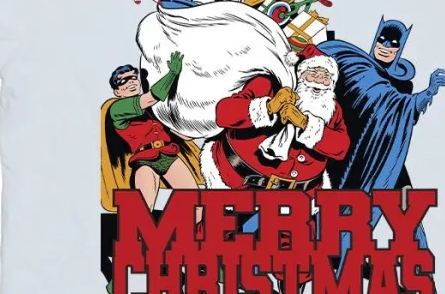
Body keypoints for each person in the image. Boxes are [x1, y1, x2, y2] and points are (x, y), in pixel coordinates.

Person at [318, 19, 445, 294]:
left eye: (393, 44)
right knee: (343, 221)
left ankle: (427, 292)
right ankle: (332, 285)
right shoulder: (350, 66)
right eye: (383, 40)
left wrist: (428, 93)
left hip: (387, 161)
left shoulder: (402, 84)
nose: (386, 47)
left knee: (409, 221)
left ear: (400, 48)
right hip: (349, 160)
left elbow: (406, 112)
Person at [202, 50, 349, 193]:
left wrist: (304, 123)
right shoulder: (268, 85)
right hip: (239, 184)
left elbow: (341, 147)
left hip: (302, 196)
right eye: (313, 74)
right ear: (300, 74)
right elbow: (223, 114)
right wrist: (269, 107)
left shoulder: (331, 108)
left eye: (326, 77)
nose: (319, 81)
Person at [104, 54, 199, 209]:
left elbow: (180, 133)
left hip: (168, 155)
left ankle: (195, 225)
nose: (131, 82)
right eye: (123, 81)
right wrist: (172, 74)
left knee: (195, 200)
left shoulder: (153, 109)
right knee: (144, 207)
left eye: (133, 77)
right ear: (117, 92)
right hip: (144, 159)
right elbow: (151, 97)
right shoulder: (117, 108)